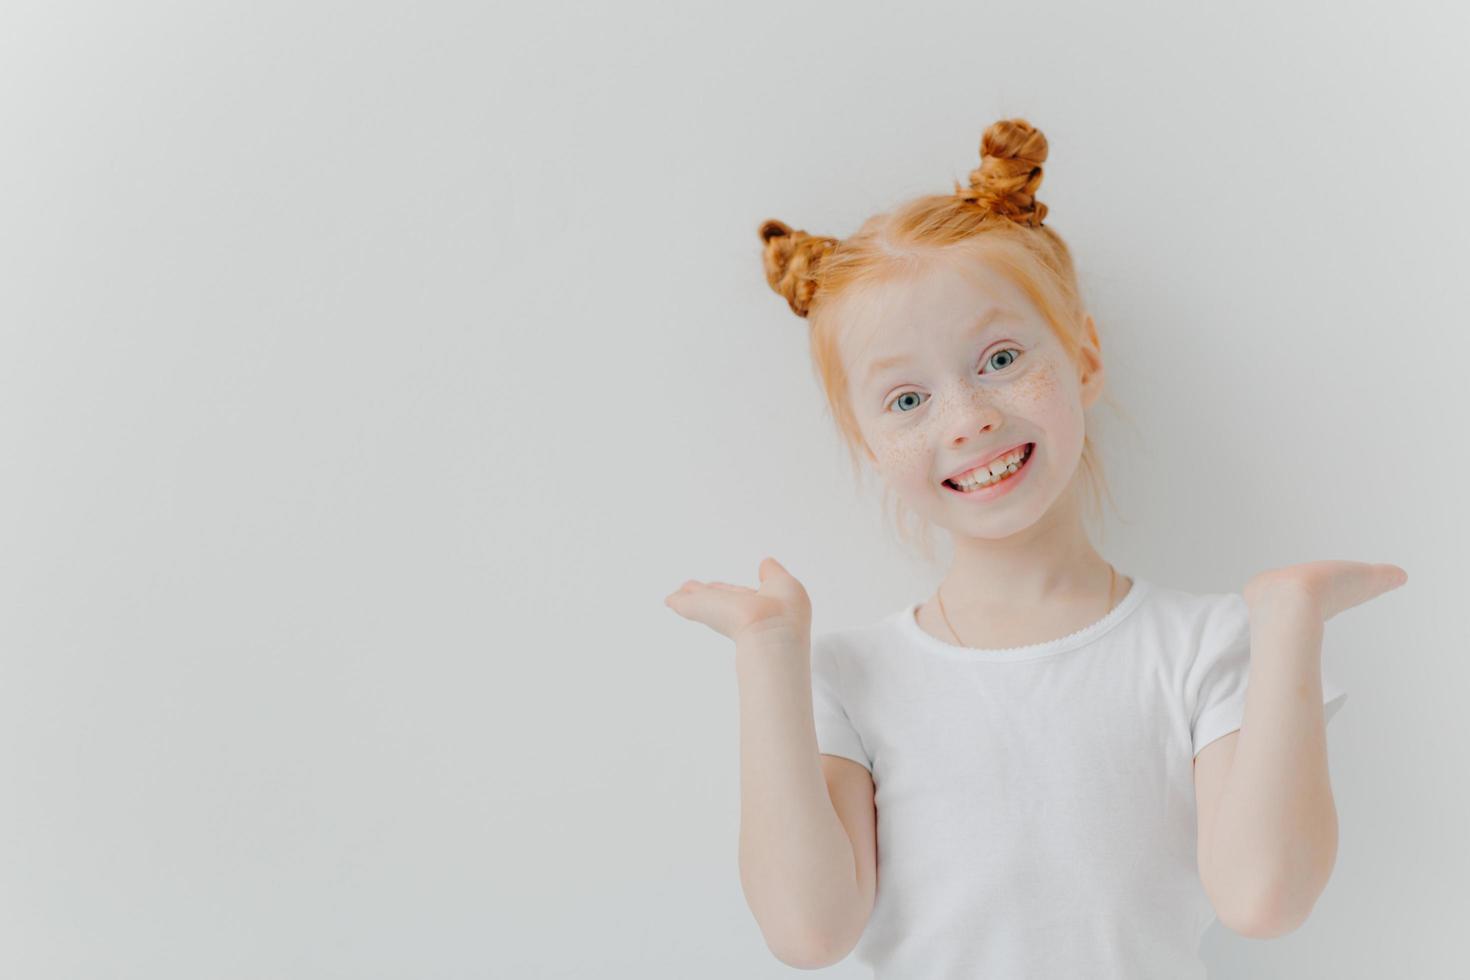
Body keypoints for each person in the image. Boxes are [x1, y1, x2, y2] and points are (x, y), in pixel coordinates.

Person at [662, 118, 1407, 978]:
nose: (968, 418)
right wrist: (767, 656)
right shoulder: (845, 678)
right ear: (865, 441)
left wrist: (1289, 623)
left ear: (1084, 356)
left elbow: (1264, 898)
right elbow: (808, 932)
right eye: (906, 400)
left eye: (1002, 358)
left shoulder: (1207, 649)